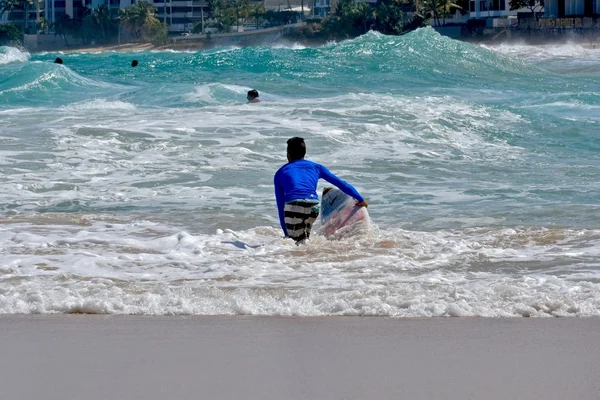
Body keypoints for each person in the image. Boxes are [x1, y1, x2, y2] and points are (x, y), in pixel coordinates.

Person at [274, 137, 368, 243]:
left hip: (294, 205)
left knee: (294, 242)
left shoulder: (280, 172)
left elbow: (280, 205)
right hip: (313, 206)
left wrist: (286, 232)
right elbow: (341, 184)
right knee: (304, 239)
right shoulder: (316, 167)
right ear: (304, 153)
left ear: (288, 154)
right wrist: (360, 199)